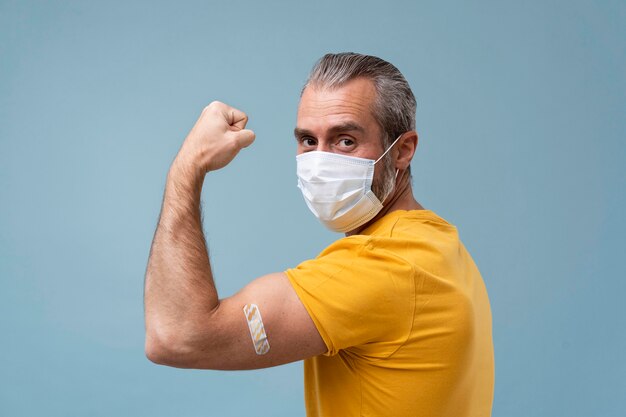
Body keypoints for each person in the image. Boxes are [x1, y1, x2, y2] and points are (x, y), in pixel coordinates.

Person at [144, 52, 495, 417]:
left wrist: (187, 167)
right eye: (309, 141)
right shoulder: (440, 244)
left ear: (403, 150)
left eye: (345, 141)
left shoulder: (385, 266)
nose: (321, 162)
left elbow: (177, 336)